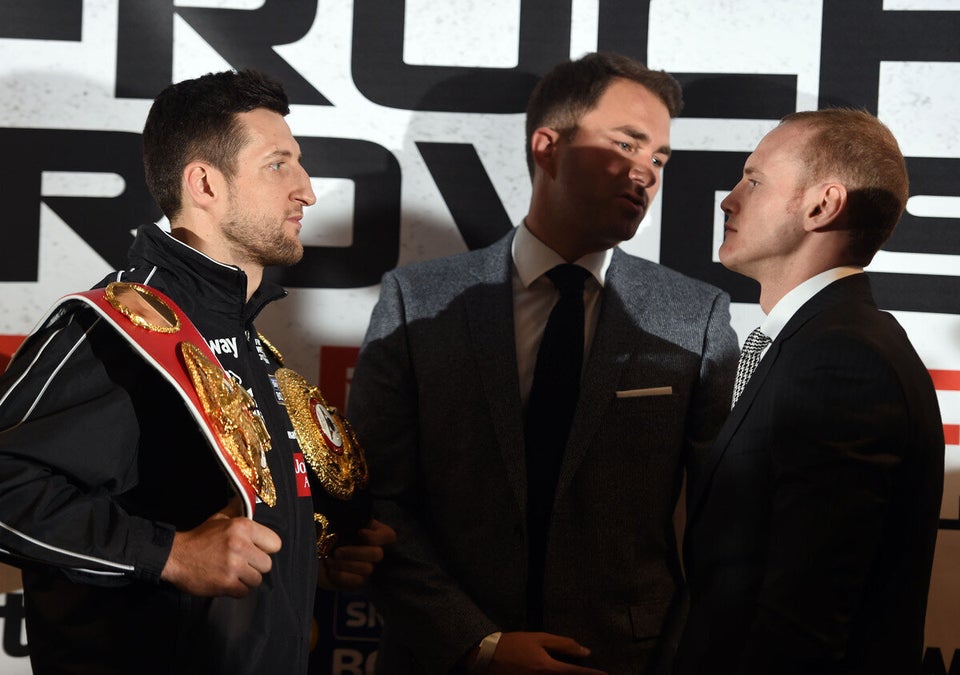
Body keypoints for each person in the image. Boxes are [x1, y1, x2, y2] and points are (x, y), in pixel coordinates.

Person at [348, 52, 739, 674]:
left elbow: (726, 522)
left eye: (660, 158)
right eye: (627, 143)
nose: (647, 173)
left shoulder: (695, 316)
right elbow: (373, 501)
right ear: (547, 146)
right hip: (445, 657)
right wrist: (478, 642)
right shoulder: (417, 301)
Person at [0, 69, 395, 674]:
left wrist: (315, 556)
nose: (308, 191)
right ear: (205, 183)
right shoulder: (115, 331)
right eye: (278, 164)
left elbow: (224, 529)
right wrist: (173, 556)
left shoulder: (247, 342)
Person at [675, 109, 945, 675]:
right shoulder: (819, 343)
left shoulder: (841, 361)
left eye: (754, 180)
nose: (728, 200)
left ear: (822, 205)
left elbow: (803, 622)